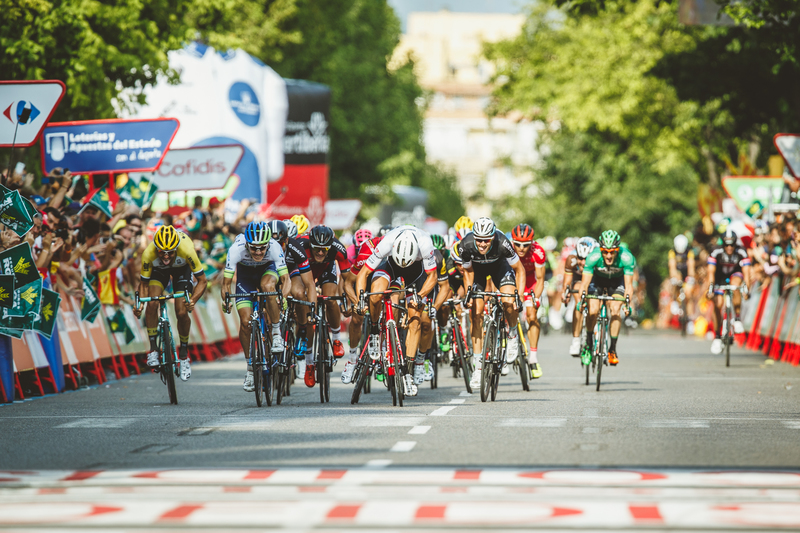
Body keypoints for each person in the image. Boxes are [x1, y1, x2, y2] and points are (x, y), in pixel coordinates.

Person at [355, 226, 439, 396]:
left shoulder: (425, 244)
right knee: (376, 295)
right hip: (390, 267)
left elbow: (433, 277)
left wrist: (420, 296)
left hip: (416, 274)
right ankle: (375, 333)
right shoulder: (388, 241)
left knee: (415, 320)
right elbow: (363, 274)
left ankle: (407, 372)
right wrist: (360, 300)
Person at [221, 221, 291, 392]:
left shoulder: (275, 247)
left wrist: (282, 297)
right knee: (245, 322)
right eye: (253, 248)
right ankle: (251, 369)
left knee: (268, 288)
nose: (258, 252)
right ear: (246, 244)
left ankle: (275, 333)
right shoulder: (236, 249)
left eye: (262, 248)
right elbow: (226, 284)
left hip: (268, 271)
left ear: (268, 243)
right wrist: (226, 300)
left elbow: (286, 280)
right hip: (245, 278)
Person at [458, 217, 526, 390]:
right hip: (478, 272)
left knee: (508, 301)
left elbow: (520, 270)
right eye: (478, 240)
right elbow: (467, 271)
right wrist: (469, 293)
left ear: (493, 237)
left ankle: (512, 335)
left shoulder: (503, 242)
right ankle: (478, 366)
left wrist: (520, 295)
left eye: (486, 240)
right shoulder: (465, 245)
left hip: (500, 269)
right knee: (477, 312)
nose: (481, 244)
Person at [134, 225, 208, 381]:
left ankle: (183, 355)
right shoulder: (149, 253)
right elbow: (144, 285)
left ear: (176, 248)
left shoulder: (187, 249)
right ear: (156, 249)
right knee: (152, 303)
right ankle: (153, 349)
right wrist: (140, 304)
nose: (166, 256)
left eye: (170, 253)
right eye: (162, 252)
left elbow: (202, 281)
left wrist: (193, 300)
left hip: (182, 270)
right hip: (158, 271)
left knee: (181, 311)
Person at [298, 225, 351, 387]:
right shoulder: (300, 244)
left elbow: (347, 278)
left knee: (330, 299)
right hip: (303, 271)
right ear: (310, 244)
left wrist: (346, 299)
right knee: (307, 314)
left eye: (324, 249)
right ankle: (308, 364)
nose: (321, 252)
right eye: (317, 249)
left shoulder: (339, 249)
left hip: (326, 271)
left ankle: (336, 339)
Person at [579, 230, 635, 365]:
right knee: (592, 311)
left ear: (618, 250)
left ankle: (612, 349)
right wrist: (582, 300)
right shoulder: (593, 257)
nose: (608, 255)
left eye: (612, 252)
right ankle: (588, 343)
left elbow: (628, 286)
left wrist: (628, 304)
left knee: (616, 310)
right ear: (600, 250)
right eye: (605, 252)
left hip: (616, 283)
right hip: (597, 282)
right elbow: (584, 283)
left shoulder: (627, 257)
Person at [269, 220, 317, 377]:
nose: (278, 247)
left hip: (292, 271)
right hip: (272, 272)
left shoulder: (295, 247)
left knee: (298, 293)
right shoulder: (264, 248)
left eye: (281, 243)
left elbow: (309, 283)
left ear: (287, 240)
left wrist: (311, 309)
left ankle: (302, 331)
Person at [706, 229, 751, 354]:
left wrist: (746, 289)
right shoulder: (716, 251)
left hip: (735, 275)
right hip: (719, 278)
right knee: (718, 304)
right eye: (726, 244)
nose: (729, 247)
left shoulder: (741, 251)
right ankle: (717, 336)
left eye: (732, 244)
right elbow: (710, 273)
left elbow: (747, 273)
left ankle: (737, 318)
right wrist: (710, 289)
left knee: (735, 285)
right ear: (723, 244)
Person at [511, 223, 546, 379]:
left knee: (532, 315)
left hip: (531, 282)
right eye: (517, 244)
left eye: (525, 245)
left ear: (532, 243)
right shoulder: (508, 250)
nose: (521, 248)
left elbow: (540, 280)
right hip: (513, 280)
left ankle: (533, 358)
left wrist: (535, 299)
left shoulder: (538, 252)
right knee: (507, 308)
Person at [563, 237, 598, 356]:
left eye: (586, 259)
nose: (583, 262)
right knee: (579, 302)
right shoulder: (571, 259)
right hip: (578, 280)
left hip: (594, 279)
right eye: (580, 258)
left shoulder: (598, 259)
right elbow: (567, 282)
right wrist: (566, 294)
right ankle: (576, 340)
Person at [669, 234, 696, 320]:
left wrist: (691, 277)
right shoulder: (672, 252)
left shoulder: (689, 252)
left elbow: (691, 265)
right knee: (675, 279)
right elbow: (672, 266)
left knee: (689, 294)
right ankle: (675, 301)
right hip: (678, 272)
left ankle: (689, 316)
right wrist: (673, 276)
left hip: (686, 272)